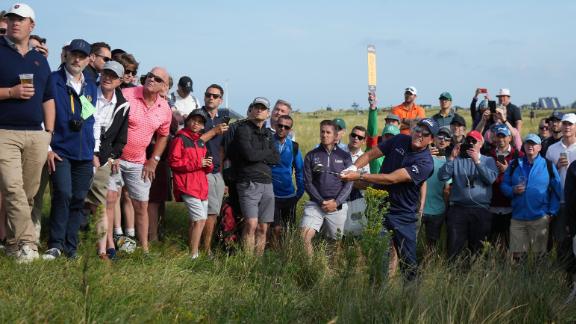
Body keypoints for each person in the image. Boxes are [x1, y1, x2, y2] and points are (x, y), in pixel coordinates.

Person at [341, 118, 438, 280]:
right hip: (380, 208)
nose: (419, 134)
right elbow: (372, 153)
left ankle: (411, 297)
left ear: (432, 139)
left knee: (408, 263)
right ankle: (377, 295)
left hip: (404, 215)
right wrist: (353, 167)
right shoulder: (400, 139)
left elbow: (391, 178)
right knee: (379, 259)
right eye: (418, 129)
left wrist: (359, 176)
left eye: (425, 133)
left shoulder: (425, 162)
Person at [0, 3, 55, 262]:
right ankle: (29, 244)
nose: (14, 23)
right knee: (12, 189)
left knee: (29, 193)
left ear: (31, 25)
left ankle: (12, 245)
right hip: (4, 132)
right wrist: (10, 93)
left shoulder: (39, 60)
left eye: (20, 19)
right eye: (11, 18)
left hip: (36, 134)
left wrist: (50, 134)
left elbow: (48, 98)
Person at [106, 67, 172, 254]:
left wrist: (154, 160)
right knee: (110, 200)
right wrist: (111, 154)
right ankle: (110, 246)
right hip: (115, 158)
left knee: (142, 205)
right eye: (150, 75)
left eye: (157, 79)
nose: (151, 79)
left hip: (139, 162)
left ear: (164, 86)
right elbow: (108, 122)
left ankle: (144, 249)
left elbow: (163, 136)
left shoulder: (164, 108)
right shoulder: (126, 94)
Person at [42, 39, 97, 260]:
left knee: (78, 199)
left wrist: (95, 151)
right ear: (66, 55)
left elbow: (93, 119)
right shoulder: (53, 80)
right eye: (74, 54)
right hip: (60, 149)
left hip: (84, 153)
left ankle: (70, 247)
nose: (77, 59)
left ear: (88, 60)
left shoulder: (91, 85)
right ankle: (55, 244)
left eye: (82, 56)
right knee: (63, 194)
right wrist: (46, 147)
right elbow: (40, 113)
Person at [83, 61, 130, 260]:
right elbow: (83, 123)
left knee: (101, 203)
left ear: (120, 81)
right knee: (73, 198)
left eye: (113, 76)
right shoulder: (87, 93)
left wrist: (109, 157)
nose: (108, 78)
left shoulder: (123, 105)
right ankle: (65, 244)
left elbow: (121, 138)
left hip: (103, 159)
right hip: (81, 153)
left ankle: (102, 251)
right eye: (105, 73)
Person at [228, 97, 279, 255]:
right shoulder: (243, 129)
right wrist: (266, 154)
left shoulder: (269, 134)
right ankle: (248, 261)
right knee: (251, 223)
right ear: (251, 109)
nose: (259, 110)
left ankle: (257, 262)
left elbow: (276, 158)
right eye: (256, 107)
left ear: (268, 114)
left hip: (267, 183)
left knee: (263, 227)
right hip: (248, 181)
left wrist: (260, 155)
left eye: (262, 108)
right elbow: (249, 155)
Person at [438, 130, 498, 260]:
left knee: (479, 249)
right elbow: (442, 176)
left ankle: (478, 274)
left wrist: (477, 161)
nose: (470, 143)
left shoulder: (488, 160)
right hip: (458, 209)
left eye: (474, 141)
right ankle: (453, 275)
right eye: (468, 141)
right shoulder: (457, 159)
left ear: (480, 144)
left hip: (481, 210)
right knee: (454, 247)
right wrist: (451, 158)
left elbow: (490, 179)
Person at [501, 134, 561, 260]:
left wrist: (552, 212)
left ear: (539, 147)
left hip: (539, 217)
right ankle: (519, 279)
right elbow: (504, 185)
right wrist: (513, 190)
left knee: (537, 256)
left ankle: (537, 279)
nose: (530, 146)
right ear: (524, 146)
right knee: (517, 256)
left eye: (533, 144)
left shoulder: (548, 165)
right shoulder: (514, 164)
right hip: (518, 217)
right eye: (528, 143)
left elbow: (557, 190)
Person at [302, 120, 352, 255]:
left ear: (336, 136)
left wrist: (336, 202)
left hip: (337, 206)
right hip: (316, 204)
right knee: (304, 236)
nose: (324, 135)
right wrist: (321, 201)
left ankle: (331, 272)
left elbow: (349, 183)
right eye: (322, 132)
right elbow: (307, 182)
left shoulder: (345, 156)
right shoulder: (311, 155)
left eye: (328, 132)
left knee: (334, 243)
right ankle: (311, 270)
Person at [168, 109, 214, 259]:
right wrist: (198, 163)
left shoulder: (200, 142)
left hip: (201, 186)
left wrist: (208, 164)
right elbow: (174, 163)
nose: (196, 124)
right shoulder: (179, 139)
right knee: (199, 219)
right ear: (188, 121)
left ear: (203, 126)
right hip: (187, 185)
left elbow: (206, 167)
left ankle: (194, 251)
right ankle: (193, 255)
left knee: (199, 220)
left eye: (200, 122)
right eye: (194, 120)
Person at [199, 84, 230, 255]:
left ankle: (207, 246)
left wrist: (223, 176)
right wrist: (213, 131)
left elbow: (222, 150)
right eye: (208, 95)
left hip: (218, 172)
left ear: (220, 100)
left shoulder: (222, 120)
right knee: (207, 212)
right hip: (202, 171)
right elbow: (193, 143)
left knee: (214, 213)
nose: (211, 98)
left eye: (215, 96)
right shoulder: (198, 116)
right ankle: (205, 249)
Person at [488, 124, 524, 251]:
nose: (501, 139)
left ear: (510, 138)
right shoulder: (489, 155)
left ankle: (510, 267)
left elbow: (524, 177)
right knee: (492, 242)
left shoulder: (518, 156)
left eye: (504, 136)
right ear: (495, 138)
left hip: (511, 205)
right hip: (492, 204)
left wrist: (507, 170)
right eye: (498, 136)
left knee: (510, 241)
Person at [545, 113, 576, 261]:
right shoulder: (552, 149)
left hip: (574, 202)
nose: (567, 127)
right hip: (559, 200)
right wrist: (556, 167)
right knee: (559, 239)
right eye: (565, 124)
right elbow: (545, 176)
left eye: (570, 124)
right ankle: (562, 274)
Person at [270, 115, 304, 247]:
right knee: (275, 229)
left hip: (289, 195)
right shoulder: (267, 142)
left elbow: (300, 170)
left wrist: (299, 192)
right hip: (271, 194)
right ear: (275, 125)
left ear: (290, 129)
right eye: (280, 125)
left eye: (286, 127)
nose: (282, 128)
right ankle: (272, 255)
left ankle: (285, 255)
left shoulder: (294, 147)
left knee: (288, 230)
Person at [422, 126, 452, 252]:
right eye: (440, 137)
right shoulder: (422, 156)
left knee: (431, 245)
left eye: (446, 138)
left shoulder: (449, 162)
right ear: (433, 139)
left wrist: (445, 210)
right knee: (408, 242)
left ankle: (427, 268)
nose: (442, 140)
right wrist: (424, 155)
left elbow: (447, 190)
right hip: (418, 209)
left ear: (450, 142)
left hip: (437, 211)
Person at [344, 125, 370, 236]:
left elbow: (366, 184)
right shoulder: (337, 152)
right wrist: (355, 178)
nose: (356, 139)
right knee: (336, 233)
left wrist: (347, 179)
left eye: (360, 137)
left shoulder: (365, 158)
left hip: (356, 200)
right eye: (354, 135)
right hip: (338, 199)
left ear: (364, 141)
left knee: (357, 232)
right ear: (349, 136)